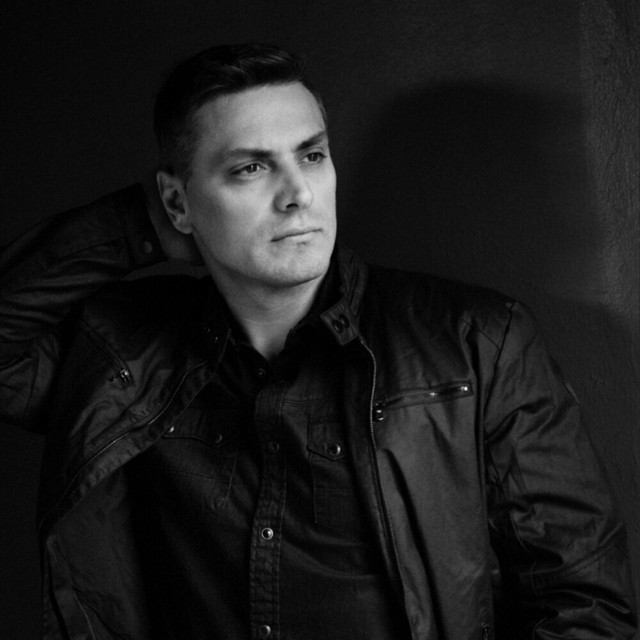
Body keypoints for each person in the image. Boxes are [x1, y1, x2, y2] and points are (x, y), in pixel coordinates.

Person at [0, 43, 635, 640]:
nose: (299, 194)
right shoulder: (127, 352)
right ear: (178, 200)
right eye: (251, 168)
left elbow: (584, 603)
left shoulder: (478, 344)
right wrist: (139, 224)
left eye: (311, 155)